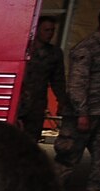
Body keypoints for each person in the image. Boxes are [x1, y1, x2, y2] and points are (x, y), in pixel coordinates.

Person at [62, 7, 100, 191]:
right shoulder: (87, 48)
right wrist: (82, 113)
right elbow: (76, 84)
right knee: (66, 158)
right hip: (82, 115)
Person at [20, 14, 71, 147]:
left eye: (52, 30)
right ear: (36, 30)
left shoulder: (54, 53)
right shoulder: (23, 49)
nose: (50, 34)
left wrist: (62, 100)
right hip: (19, 101)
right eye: (46, 30)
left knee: (32, 139)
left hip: (37, 103)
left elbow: (58, 79)